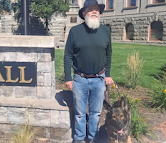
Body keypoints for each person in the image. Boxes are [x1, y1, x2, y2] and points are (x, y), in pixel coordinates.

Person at [63, 0, 114, 142]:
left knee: (96, 113)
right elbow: (67, 55)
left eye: (96, 9)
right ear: (84, 13)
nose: (94, 12)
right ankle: (79, 138)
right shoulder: (75, 31)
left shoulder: (105, 31)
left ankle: (93, 138)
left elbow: (108, 54)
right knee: (79, 113)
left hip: (99, 79)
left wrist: (108, 75)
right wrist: (68, 77)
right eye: (90, 9)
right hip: (80, 79)